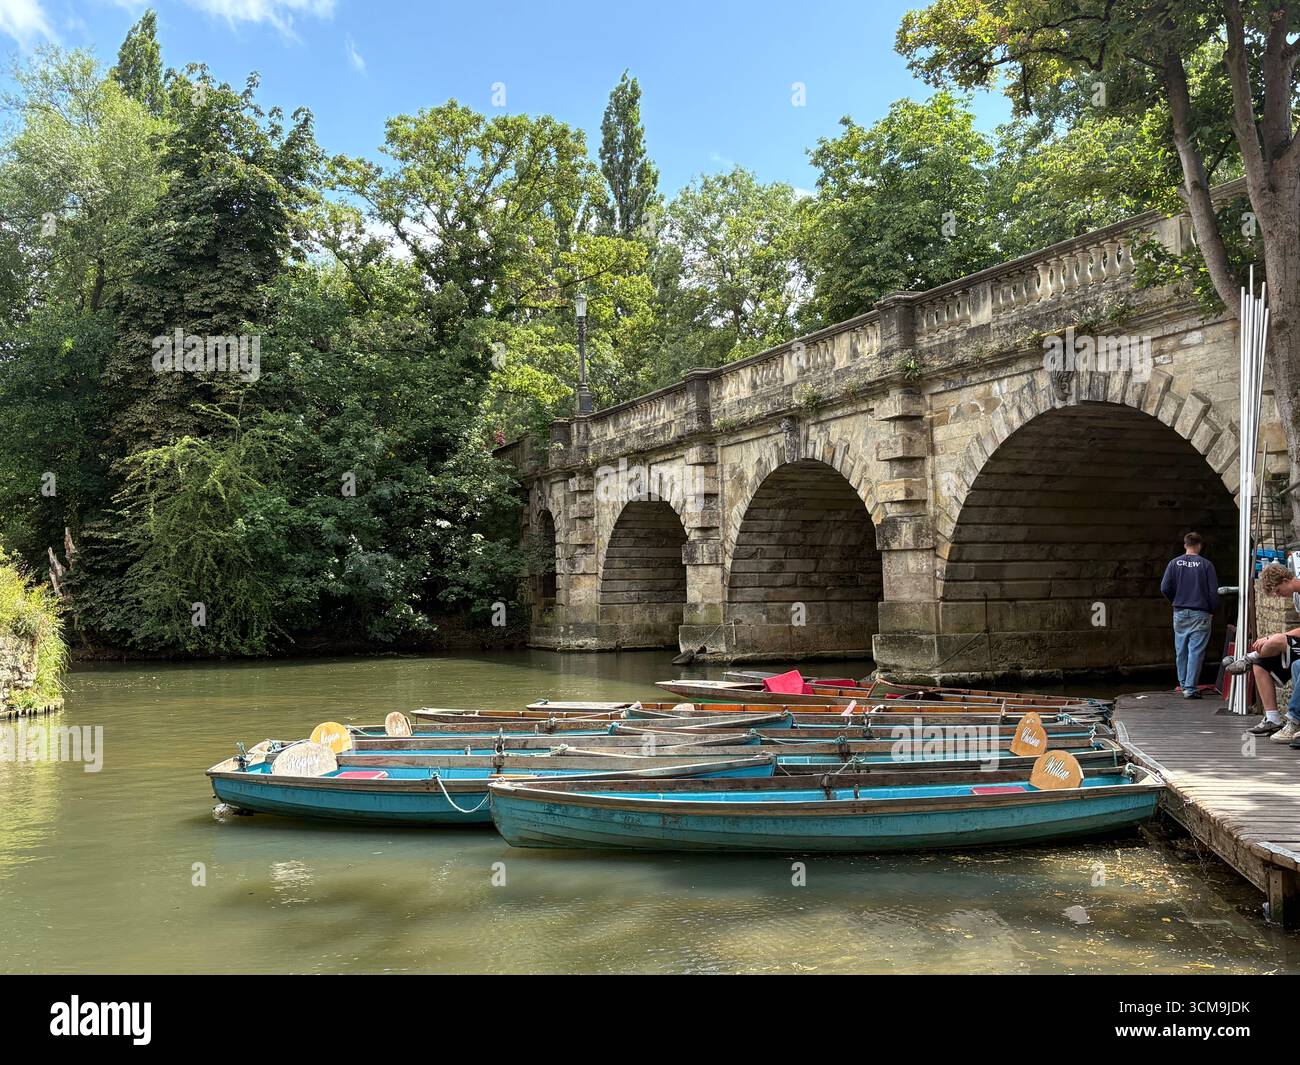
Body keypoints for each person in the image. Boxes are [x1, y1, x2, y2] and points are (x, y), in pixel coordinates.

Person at [1225, 562, 1300, 741]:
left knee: (1278, 641)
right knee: (1261, 665)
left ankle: (1248, 658)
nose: (1277, 595)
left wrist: (1274, 636)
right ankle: (1273, 719)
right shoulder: (1297, 597)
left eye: (1277, 590)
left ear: (1285, 580)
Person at [1159, 532, 1219, 699]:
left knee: (1181, 650)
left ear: (1185, 545)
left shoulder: (1173, 563)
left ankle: (1184, 683)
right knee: (1195, 651)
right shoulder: (1206, 565)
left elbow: (1164, 587)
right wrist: (1212, 610)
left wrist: (1176, 600)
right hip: (1200, 612)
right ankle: (1190, 689)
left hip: (1179, 612)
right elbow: (1213, 592)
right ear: (1199, 545)